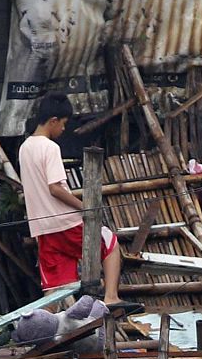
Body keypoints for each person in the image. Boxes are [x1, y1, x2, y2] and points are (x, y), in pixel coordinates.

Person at [18, 93, 123, 300]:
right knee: (109, 242)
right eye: (63, 124)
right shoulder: (50, 147)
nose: (64, 129)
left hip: (43, 228)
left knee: (55, 287)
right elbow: (55, 188)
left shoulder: (25, 148)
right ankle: (111, 296)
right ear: (53, 121)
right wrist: (85, 206)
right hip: (65, 222)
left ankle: (47, 326)